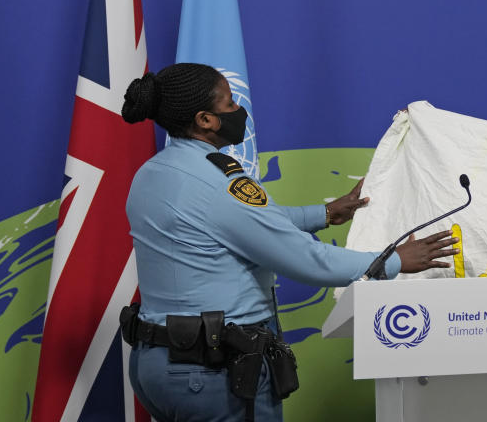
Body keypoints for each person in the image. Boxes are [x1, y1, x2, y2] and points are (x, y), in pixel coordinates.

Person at [119, 63, 458, 422]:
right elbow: (308, 261)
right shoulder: (221, 182)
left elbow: (242, 223)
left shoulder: (151, 174)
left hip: (155, 367)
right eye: (230, 103)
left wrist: (325, 214)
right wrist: (395, 261)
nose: (239, 110)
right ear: (205, 120)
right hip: (213, 373)